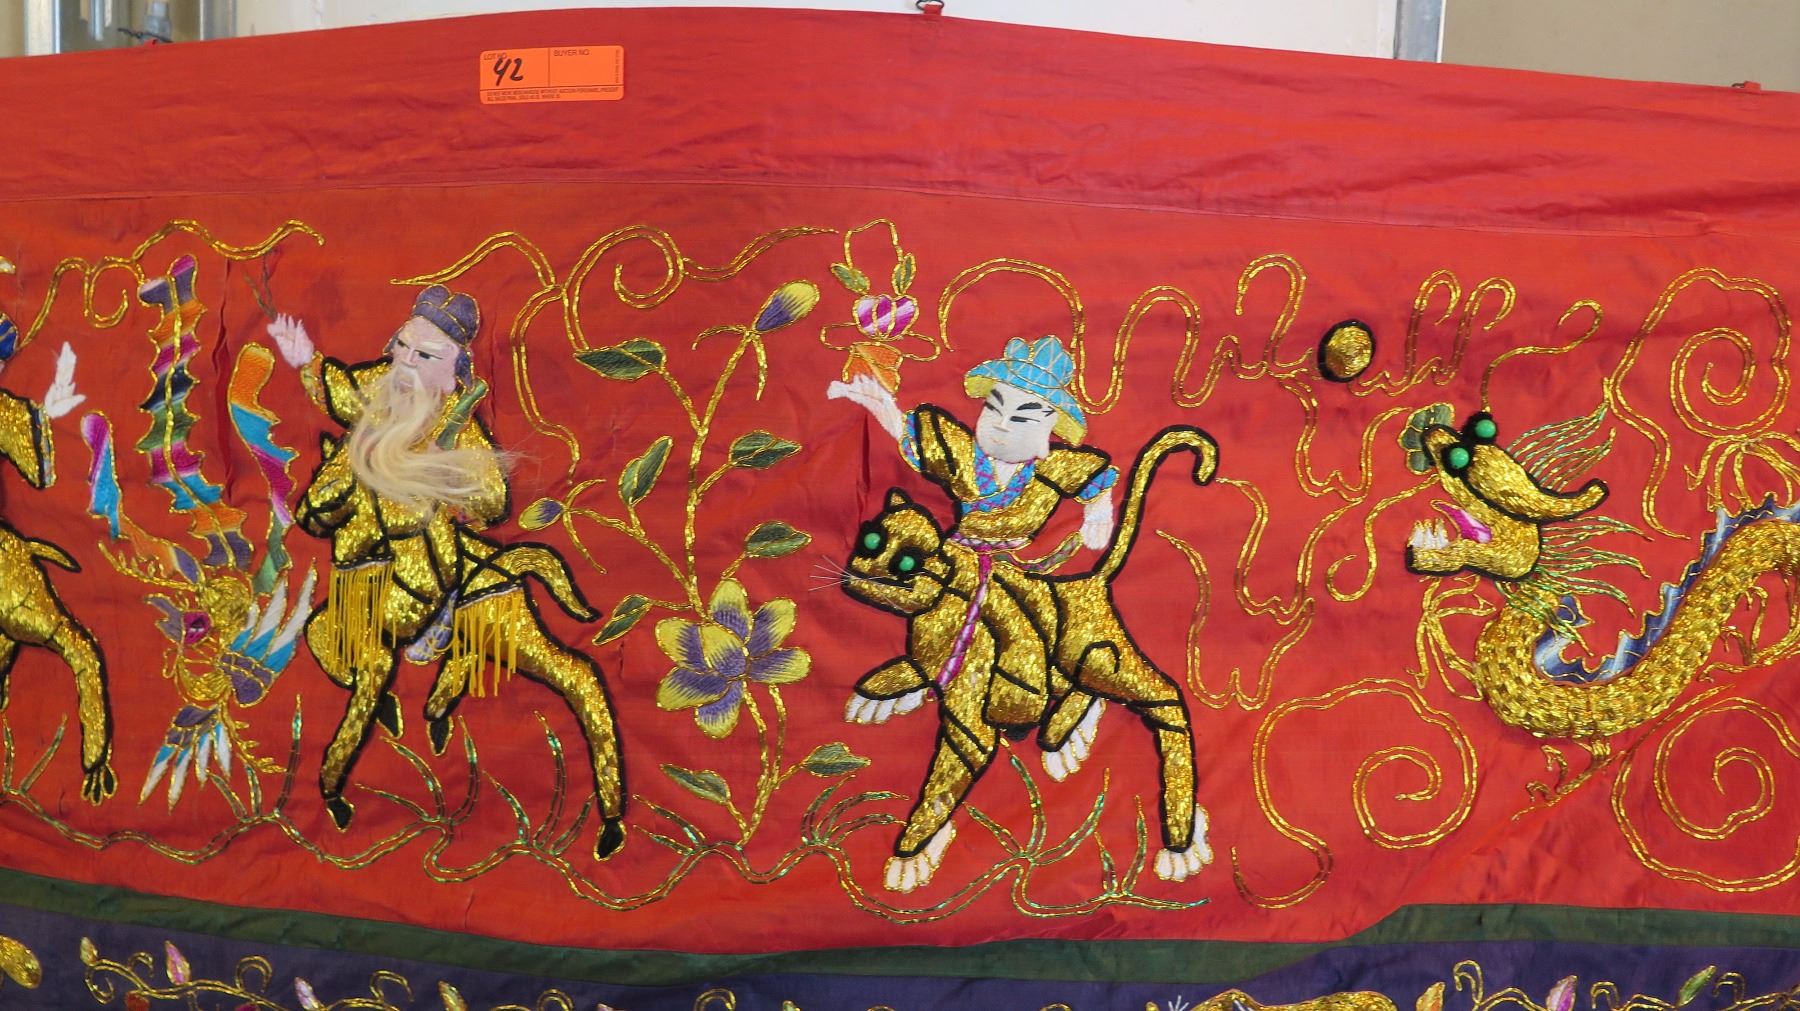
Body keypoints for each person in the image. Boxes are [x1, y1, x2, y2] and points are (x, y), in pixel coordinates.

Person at [829, 335, 1117, 721]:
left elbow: (1096, 481)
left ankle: (1059, 692)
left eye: (1021, 418)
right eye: (993, 409)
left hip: (1019, 569)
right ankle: (932, 675)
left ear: (1050, 426)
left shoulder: (1052, 469)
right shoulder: (965, 456)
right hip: (959, 556)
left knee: (1023, 632)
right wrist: (880, 403)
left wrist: (1098, 514)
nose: (1001, 426)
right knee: (928, 606)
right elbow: (914, 436)